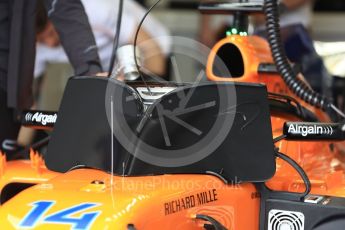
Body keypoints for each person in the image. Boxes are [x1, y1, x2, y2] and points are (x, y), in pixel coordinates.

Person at [0, 0, 102, 156]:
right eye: (43, 39)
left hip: (7, 86)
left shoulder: (99, 11)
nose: (49, 42)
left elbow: (63, 5)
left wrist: (92, 75)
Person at [35, 0, 171, 78]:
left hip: (155, 51)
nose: (50, 43)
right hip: (110, 72)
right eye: (41, 40)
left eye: (53, 33)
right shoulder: (32, 45)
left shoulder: (95, 10)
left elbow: (154, 54)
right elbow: (29, 102)